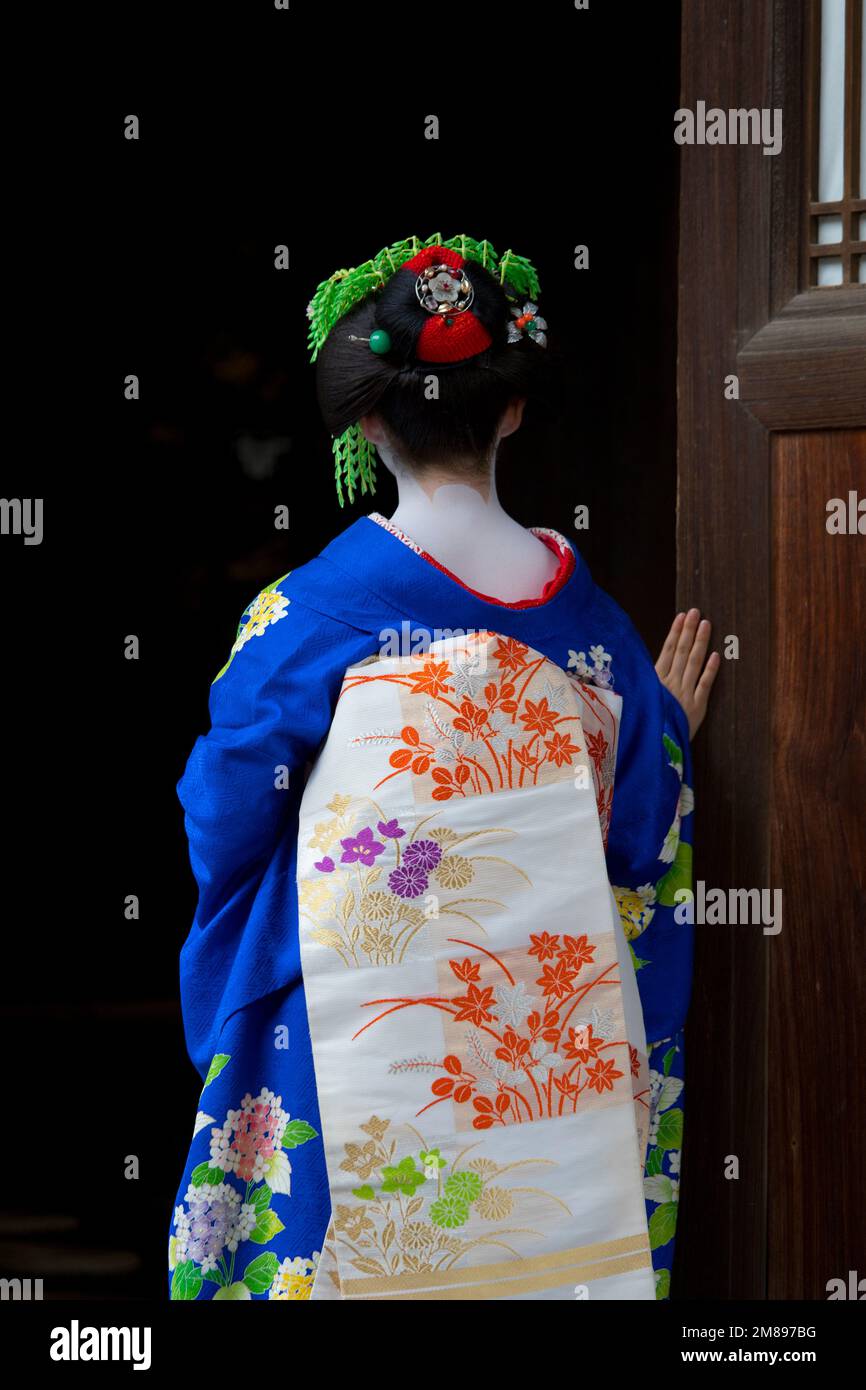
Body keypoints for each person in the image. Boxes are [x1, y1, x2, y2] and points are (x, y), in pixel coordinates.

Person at [167, 234, 718, 1301]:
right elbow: (637, 840)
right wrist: (665, 734)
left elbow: (224, 814)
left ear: (367, 424)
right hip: (537, 1073)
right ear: (511, 410)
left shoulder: (305, 619)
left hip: (343, 1036)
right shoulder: (597, 639)